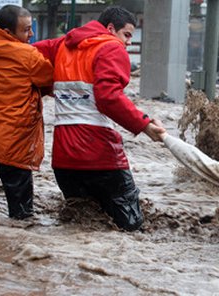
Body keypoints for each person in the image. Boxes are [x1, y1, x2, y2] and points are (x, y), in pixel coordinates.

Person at [33, 6, 164, 231]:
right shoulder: (111, 47)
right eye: (127, 35)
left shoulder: (61, 45)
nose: (128, 43)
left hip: (64, 158)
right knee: (130, 228)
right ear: (111, 29)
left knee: (76, 227)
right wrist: (144, 125)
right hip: (100, 154)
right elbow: (108, 97)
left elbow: (22, 55)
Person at [0, 5, 54, 219]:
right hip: (13, 142)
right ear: (9, 33)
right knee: (22, 216)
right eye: (27, 30)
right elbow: (49, 79)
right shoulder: (27, 55)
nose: (32, 35)